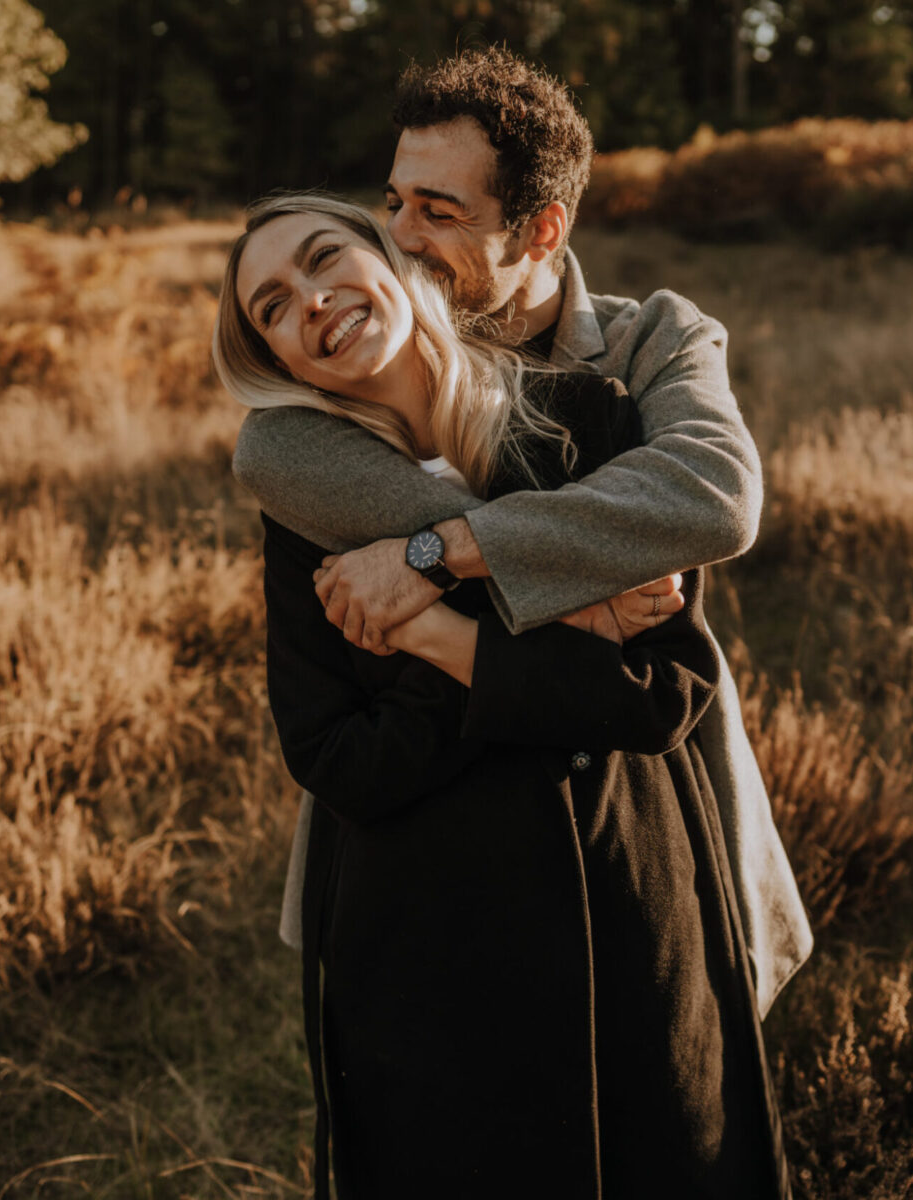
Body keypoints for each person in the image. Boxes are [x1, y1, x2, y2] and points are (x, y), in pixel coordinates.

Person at [213, 190, 792, 1198]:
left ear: (392, 258)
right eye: (272, 305)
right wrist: (502, 653)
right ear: (275, 357)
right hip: (426, 935)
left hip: (628, 892)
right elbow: (332, 752)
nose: (309, 301)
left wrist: (429, 622)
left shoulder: (587, 424)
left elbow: (659, 694)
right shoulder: (305, 496)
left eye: (321, 261)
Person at [231, 48, 812, 1021]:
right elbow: (273, 458)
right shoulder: (337, 392)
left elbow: (713, 497)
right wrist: (585, 573)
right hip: (427, 843)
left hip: (641, 808)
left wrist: (441, 555)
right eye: (395, 202)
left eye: (439, 211)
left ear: (542, 227)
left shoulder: (653, 340)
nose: (399, 240)